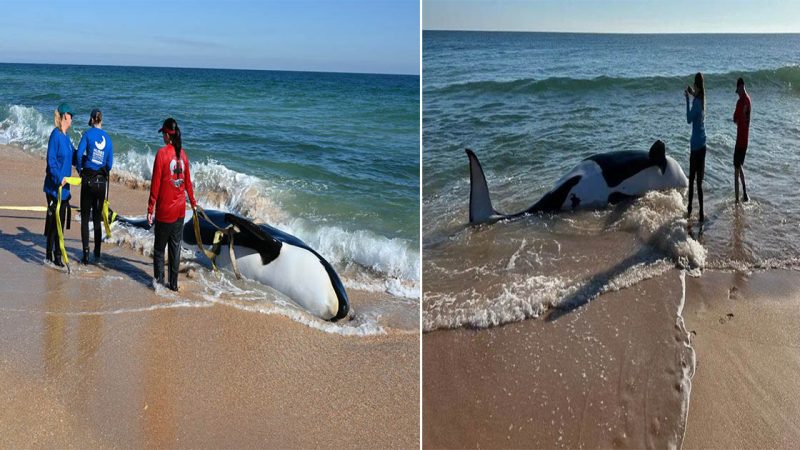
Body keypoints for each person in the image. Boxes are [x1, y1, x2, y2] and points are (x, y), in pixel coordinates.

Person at [147, 117, 197, 291]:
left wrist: (150, 208)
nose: (162, 137)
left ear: (168, 135)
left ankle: (159, 285)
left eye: (163, 134)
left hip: (165, 211)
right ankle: (174, 285)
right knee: (175, 249)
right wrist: (193, 202)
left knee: (160, 249)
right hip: (180, 211)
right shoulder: (183, 154)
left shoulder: (162, 154)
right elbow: (188, 183)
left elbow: (155, 184)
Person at [77, 109, 114, 264]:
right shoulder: (108, 139)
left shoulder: (87, 134)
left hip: (88, 181)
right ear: (101, 120)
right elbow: (109, 165)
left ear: (92, 120)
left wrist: (80, 170)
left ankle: (85, 255)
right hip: (101, 184)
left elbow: (79, 154)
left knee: (85, 218)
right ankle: (97, 253)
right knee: (97, 218)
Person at [43, 102, 77, 267]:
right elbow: (51, 162)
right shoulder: (55, 135)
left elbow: (74, 157)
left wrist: (88, 162)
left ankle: (56, 254)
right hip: (53, 188)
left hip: (65, 190)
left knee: (60, 222)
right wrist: (59, 179)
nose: (72, 119)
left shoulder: (67, 137)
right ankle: (51, 256)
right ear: (65, 116)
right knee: (54, 222)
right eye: (71, 115)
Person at [685, 72, 707, 222]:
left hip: (695, 147)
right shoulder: (702, 99)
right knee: (699, 183)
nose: (693, 86)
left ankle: (689, 210)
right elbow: (697, 101)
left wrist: (687, 100)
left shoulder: (695, 103)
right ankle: (701, 214)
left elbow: (688, 119)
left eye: (694, 84)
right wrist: (692, 94)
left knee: (692, 180)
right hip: (703, 144)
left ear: (697, 86)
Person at [733, 77, 751, 203]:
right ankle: (744, 193)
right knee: (739, 166)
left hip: (740, 140)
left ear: (741, 87)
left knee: (736, 169)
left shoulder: (740, 102)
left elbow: (734, 119)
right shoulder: (749, 100)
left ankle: (736, 200)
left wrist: (737, 119)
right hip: (745, 141)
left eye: (738, 90)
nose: (737, 93)